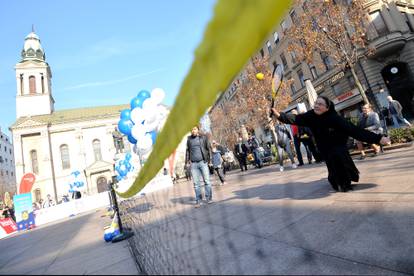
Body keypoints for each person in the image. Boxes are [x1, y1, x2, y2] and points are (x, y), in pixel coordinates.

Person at [271, 96, 391, 192]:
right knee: (332, 165)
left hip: (338, 144)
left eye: (320, 104)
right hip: (324, 146)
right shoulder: (311, 115)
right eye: (316, 103)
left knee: (340, 160)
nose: (316, 106)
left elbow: (354, 131)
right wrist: (279, 115)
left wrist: (378, 138)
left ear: (327, 107)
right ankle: (338, 182)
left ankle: (344, 183)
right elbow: (295, 119)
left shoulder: (335, 118)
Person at [185, 126, 213, 207]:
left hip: (203, 162)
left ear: (198, 130)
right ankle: (198, 200)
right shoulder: (189, 140)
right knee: (196, 184)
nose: (193, 130)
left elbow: (208, 149)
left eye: (195, 129)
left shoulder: (203, 138)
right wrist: (186, 162)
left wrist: (209, 160)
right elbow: (187, 151)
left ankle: (209, 198)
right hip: (194, 164)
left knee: (207, 181)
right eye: (192, 129)